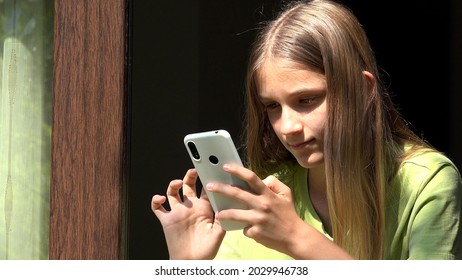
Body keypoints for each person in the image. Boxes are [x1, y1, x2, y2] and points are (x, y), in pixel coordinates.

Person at [151, 0, 462, 260]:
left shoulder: (424, 181)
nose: (287, 127)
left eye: (306, 100)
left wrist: (298, 238)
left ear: (363, 90)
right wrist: (188, 266)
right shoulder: (264, 198)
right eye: (272, 106)